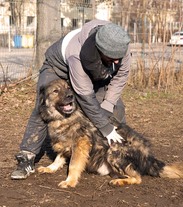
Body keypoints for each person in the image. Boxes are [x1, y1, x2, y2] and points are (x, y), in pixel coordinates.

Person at [11, 19, 131, 180]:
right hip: (58, 68)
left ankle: (116, 152)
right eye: (113, 57)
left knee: (115, 107)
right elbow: (86, 97)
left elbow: (121, 76)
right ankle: (27, 157)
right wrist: (104, 125)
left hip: (97, 69)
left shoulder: (120, 45)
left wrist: (107, 110)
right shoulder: (77, 54)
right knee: (45, 107)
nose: (117, 61)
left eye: (119, 57)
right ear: (100, 49)